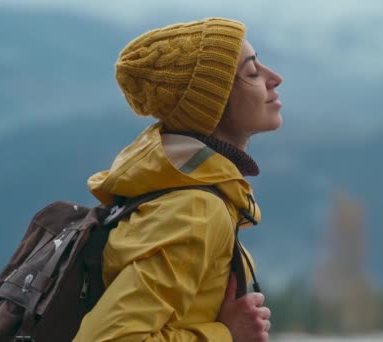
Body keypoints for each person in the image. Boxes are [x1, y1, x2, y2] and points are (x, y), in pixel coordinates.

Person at [73, 17, 283, 342]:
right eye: (253, 72)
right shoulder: (196, 211)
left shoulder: (181, 193)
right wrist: (225, 334)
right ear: (213, 103)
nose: (275, 78)